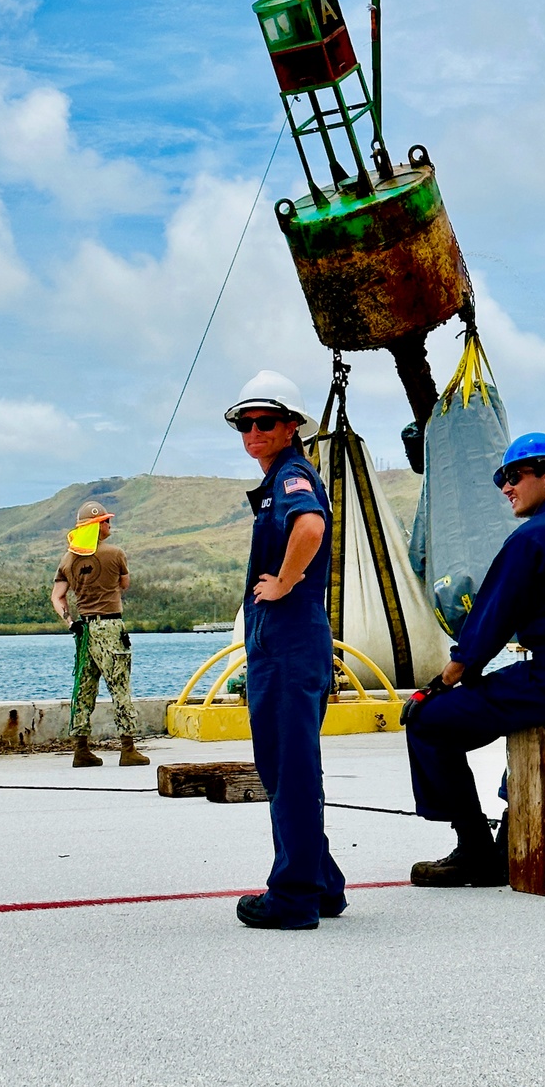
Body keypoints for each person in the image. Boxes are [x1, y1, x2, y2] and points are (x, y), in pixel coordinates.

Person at [407, 432, 545, 887]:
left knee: (428, 720)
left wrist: (442, 682)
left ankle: (473, 845)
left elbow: (489, 623)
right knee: (509, 698)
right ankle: (512, 822)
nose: (506, 488)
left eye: (514, 476)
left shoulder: (532, 539)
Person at [225, 369, 346, 931]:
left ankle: (294, 896)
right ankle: (323, 883)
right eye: (244, 424)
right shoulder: (283, 476)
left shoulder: (292, 476)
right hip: (289, 643)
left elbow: (311, 529)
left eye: (264, 422)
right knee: (290, 765)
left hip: (290, 643)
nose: (253, 432)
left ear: (292, 426)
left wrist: (285, 581)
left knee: (288, 768)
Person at [51, 500, 150, 768]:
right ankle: (128, 749)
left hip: (83, 629)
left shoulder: (67, 560)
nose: (109, 524)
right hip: (110, 626)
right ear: (97, 526)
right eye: (106, 521)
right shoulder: (116, 553)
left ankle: (81, 749)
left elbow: (58, 597)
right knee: (119, 686)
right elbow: (124, 584)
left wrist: (71, 621)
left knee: (84, 688)